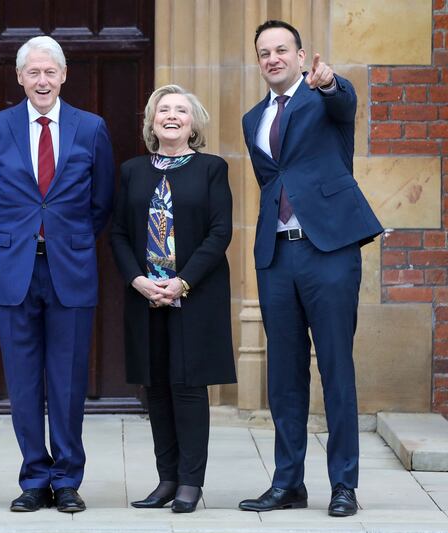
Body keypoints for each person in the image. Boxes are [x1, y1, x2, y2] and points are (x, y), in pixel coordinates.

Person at [238, 20, 383, 518]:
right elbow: (272, 180)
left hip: (329, 251)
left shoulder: (326, 98)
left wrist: (330, 83)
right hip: (276, 255)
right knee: (283, 374)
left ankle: (344, 484)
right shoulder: (253, 116)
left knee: (336, 366)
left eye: (282, 50)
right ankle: (288, 482)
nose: (273, 58)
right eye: (264, 52)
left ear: (302, 57)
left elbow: (345, 101)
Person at [0, 35, 114, 513]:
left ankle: (67, 478)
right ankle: (34, 477)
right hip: (13, 271)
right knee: (24, 379)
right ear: (20, 78)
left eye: (50, 72)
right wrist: (16, 241)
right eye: (34, 72)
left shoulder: (91, 128)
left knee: (68, 379)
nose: (43, 80)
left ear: (64, 75)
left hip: (70, 268)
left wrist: (62, 239)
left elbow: (101, 203)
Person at [110, 85, 235, 514]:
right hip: (146, 296)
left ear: (194, 122)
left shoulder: (212, 169)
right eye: (163, 109)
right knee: (157, 387)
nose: (172, 116)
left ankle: (190, 484)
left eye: (181, 110)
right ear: (151, 121)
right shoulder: (131, 171)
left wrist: (182, 282)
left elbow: (220, 232)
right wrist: (137, 280)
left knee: (187, 387)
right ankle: (166, 479)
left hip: (193, 295)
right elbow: (119, 233)